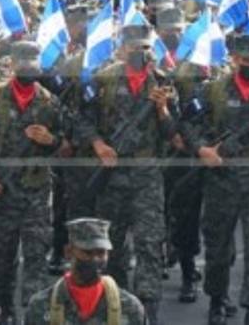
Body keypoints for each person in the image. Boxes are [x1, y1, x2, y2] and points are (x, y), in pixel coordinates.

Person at [76, 25, 174, 324]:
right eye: (134, 48)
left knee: (149, 243)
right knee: (112, 246)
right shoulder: (103, 80)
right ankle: (117, 305)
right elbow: (81, 121)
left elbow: (172, 133)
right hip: (113, 175)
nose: (140, 54)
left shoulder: (163, 83)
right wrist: (99, 145)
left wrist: (163, 110)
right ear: (121, 49)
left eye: (145, 48)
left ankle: (149, 310)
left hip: (146, 176)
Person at [190, 34, 249, 325]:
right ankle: (217, 300)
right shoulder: (213, 90)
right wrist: (202, 150)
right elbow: (188, 124)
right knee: (218, 249)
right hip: (222, 179)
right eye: (246, 60)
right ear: (233, 60)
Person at [0, 40, 64, 325]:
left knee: (36, 255)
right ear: (11, 65)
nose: (27, 71)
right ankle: (7, 309)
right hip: (2, 190)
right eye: (22, 65)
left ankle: (31, 312)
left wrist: (50, 140)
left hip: (36, 191)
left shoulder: (50, 102)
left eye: (32, 66)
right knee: (3, 255)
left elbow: (66, 145)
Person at [23, 218, 148, 325]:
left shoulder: (129, 308)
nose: (95, 259)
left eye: (101, 253)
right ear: (68, 252)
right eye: (87, 253)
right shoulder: (41, 307)